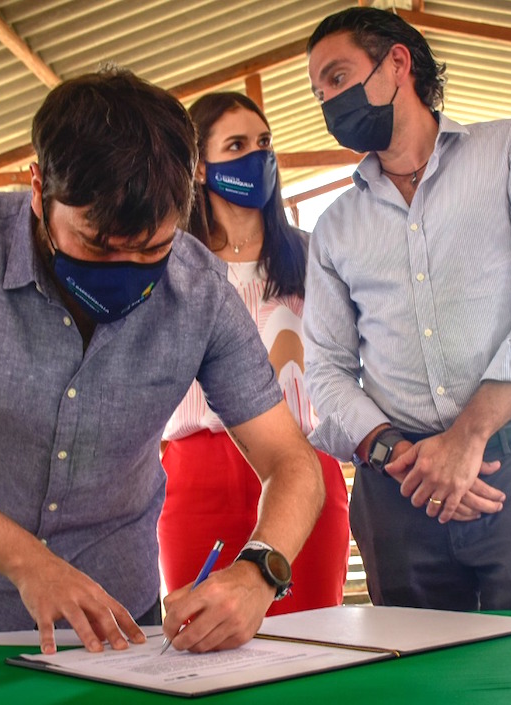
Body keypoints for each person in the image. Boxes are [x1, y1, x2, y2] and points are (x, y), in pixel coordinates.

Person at [0, 67, 325, 655]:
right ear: (38, 188)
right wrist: (30, 563)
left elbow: (292, 463)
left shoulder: (201, 291)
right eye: (96, 245)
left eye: (152, 248)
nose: (125, 269)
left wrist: (259, 571)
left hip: (118, 613)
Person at [303, 8, 511, 611]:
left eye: (337, 77)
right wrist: (402, 457)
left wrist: (468, 438)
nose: (328, 101)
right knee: (421, 684)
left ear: (398, 64)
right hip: (397, 487)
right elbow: (326, 371)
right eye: (319, 92)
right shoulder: (333, 229)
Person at [159, 92, 350, 616]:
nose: (257, 155)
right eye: (237, 144)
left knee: (313, 638)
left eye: (264, 143)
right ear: (200, 169)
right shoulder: (169, 264)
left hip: (304, 471)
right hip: (195, 475)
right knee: (204, 635)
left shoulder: (314, 256)